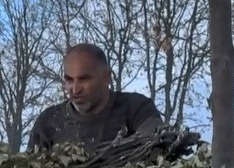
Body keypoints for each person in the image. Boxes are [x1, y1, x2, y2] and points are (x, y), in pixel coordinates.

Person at [26, 43, 164, 153]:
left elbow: (158, 146)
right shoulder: (48, 122)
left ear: (106, 77)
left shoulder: (136, 108)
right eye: (69, 80)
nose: (75, 89)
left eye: (83, 79)